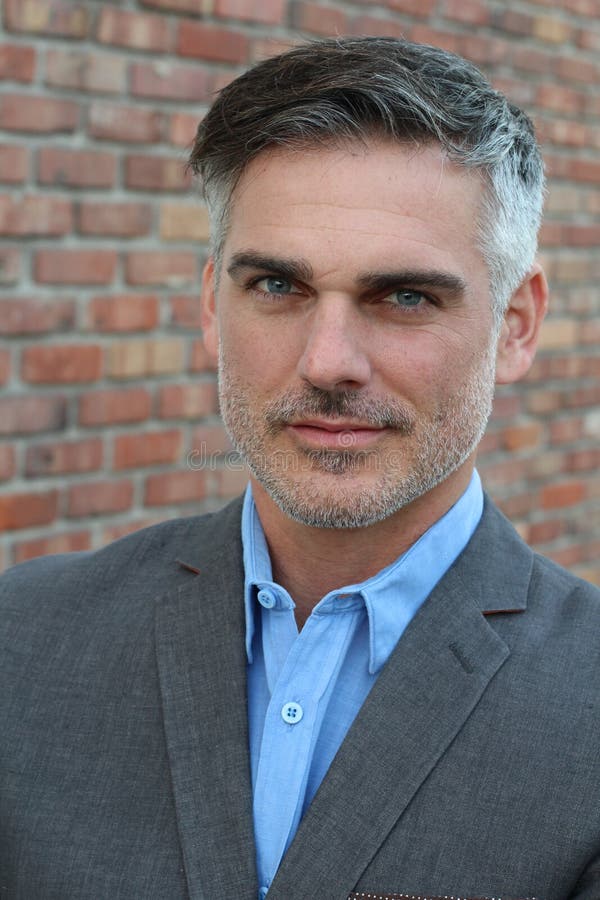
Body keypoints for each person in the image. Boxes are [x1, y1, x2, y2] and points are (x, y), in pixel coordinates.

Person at [0, 37, 598, 900]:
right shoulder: (26, 640)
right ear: (212, 305)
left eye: (404, 297)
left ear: (516, 325)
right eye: (278, 286)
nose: (327, 362)